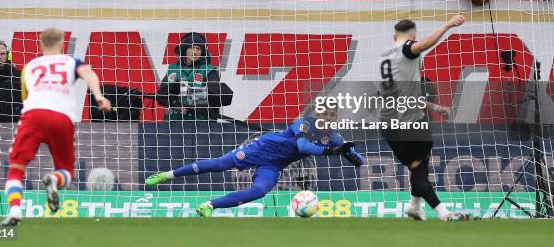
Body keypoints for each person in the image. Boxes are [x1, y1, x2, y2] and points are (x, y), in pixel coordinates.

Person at [145, 104, 365, 216]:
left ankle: (209, 205)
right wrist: (330, 152)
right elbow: (303, 146)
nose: (326, 119)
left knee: (259, 191)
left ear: (335, 118)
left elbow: (357, 159)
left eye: (331, 116)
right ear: (317, 114)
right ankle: (167, 175)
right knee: (220, 164)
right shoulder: (305, 123)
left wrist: (350, 153)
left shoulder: (333, 136)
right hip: (261, 148)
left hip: (275, 164)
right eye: (323, 115)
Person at [0, 28, 111, 226]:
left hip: (33, 116)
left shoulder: (30, 66)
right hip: (62, 118)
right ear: (61, 44)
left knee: (16, 169)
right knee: (66, 172)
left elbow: (25, 97)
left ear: (41, 44)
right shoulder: (70, 61)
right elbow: (88, 73)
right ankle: (53, 179)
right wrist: (99, 96)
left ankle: (15, 210)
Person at [377, 16, 472, 222]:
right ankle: (444, 214)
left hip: (388, 123)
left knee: (418, 164)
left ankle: (415, 206)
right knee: (419, 168)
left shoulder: (383, 56)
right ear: (412, 36)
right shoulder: (407, 49)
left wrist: (437, 108)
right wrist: (447, 25)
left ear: (394, 36)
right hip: (409, 123)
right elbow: (420, 46)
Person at [156, 32, 226, 120]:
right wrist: (174, 103)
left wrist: (194, 99)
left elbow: (216, 98)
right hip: (173, 122)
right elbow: (160, 96)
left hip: (200, 123)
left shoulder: (209, 70)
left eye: (198, 48)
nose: (195, 52)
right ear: (184, 49)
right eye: (192, 48)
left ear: (202, 51)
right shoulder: (173, 68)